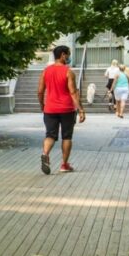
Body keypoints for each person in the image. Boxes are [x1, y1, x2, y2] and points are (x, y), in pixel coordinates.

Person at [38, 45, 86, 174]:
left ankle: (45, 153)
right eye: (68, 54)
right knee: (67, 136)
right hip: (67, 109)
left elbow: (40, 91)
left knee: (50, 135)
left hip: (50, 109)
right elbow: (73, 92)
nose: (69, 57)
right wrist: (81, 110)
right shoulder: (68, 72)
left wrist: (42, 105)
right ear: (63, 55)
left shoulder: (45, 71)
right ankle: (64, 165)